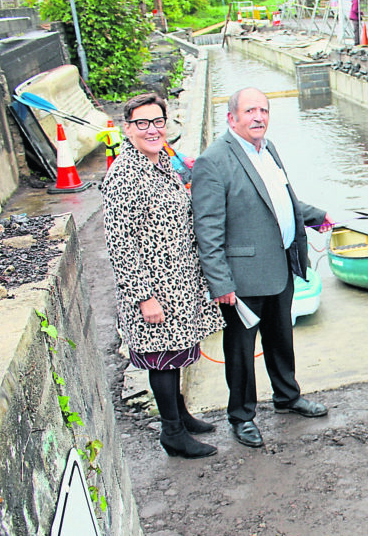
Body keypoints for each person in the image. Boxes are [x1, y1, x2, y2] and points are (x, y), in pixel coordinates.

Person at [193, 88, 333, 449]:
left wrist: (315, 216)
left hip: (280, 264)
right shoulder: (214, 160)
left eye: (264, 110)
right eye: (250, 111)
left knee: (281, 337)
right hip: (242, 278)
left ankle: (287, 397)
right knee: (240, 350)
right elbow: (207, 230)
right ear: (231, 118)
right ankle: (241, 416)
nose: (259, 117)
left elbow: (281, 201)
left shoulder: (268, 148)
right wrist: (220, 282)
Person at [103, 93, 225, 459]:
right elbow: (119, 243)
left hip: (178, 283)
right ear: (127, 129)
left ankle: (181, 414)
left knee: (176, 355)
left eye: (158, 122)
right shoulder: (125, 174)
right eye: (142, 123)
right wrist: (144, 296)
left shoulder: (160, 164)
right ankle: (171, 432)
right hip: (155, 288)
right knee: (161, 359)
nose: (153, 130)